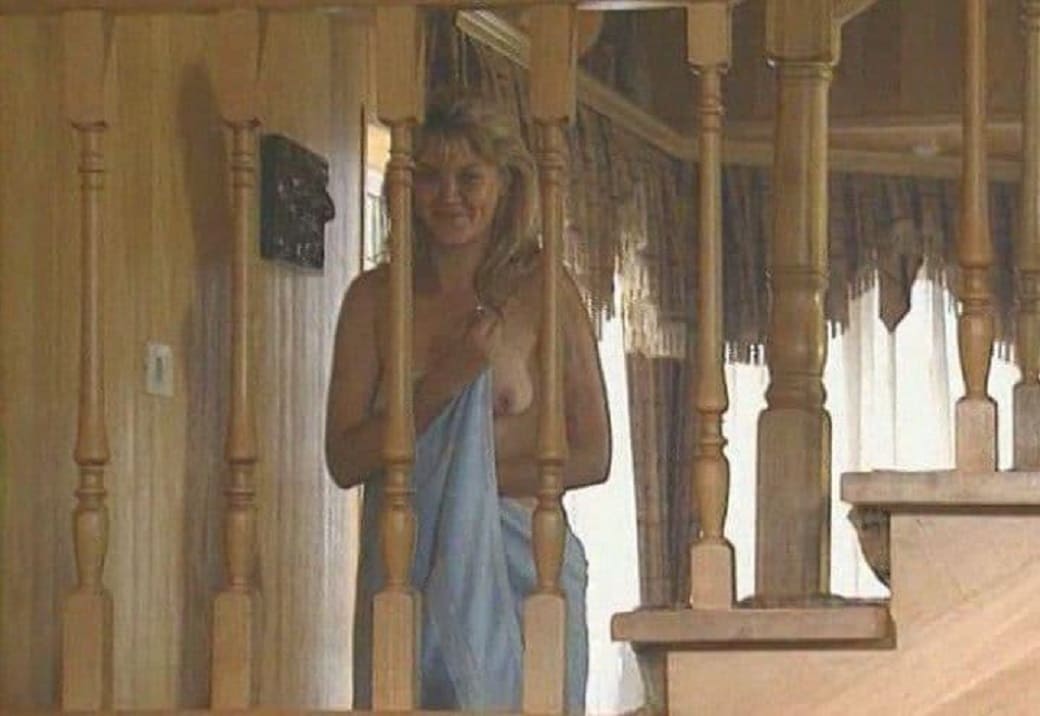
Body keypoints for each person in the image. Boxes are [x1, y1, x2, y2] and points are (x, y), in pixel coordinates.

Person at [324, 94, 611, 712]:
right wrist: (440, 385)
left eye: (469, 177)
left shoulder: (545, 290)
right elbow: (344, 460)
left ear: (504, 184)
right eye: (429, 177)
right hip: (406, 561)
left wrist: (469, 487)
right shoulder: (372, 298)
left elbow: (594, 455)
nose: (448, 196)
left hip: (525, 563)